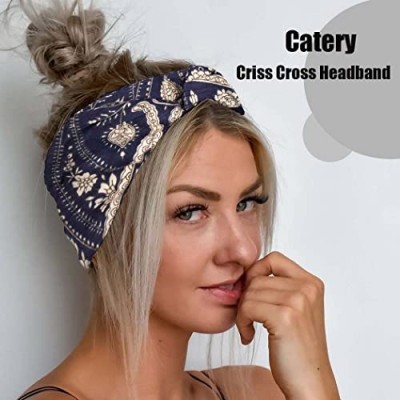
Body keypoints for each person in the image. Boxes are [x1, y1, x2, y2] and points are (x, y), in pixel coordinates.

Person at [1, 1, 341, 399]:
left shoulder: (261, 390)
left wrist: (315, 381)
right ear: (104, 231)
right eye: (191, 212)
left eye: (246, 204)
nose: (244, 250)